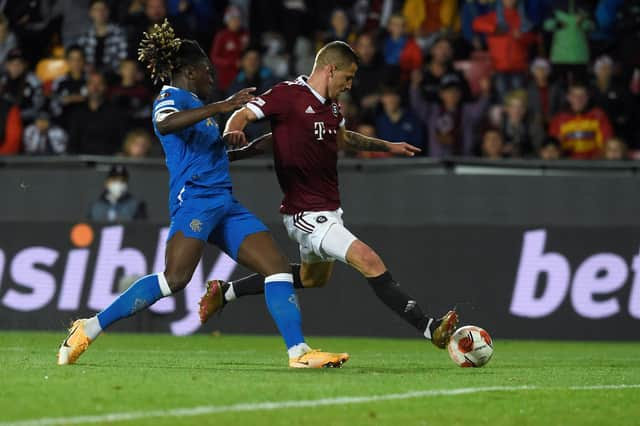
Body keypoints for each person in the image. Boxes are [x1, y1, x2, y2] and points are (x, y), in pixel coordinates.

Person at [58, 20, 349, 370]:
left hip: (225, 204)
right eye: (207, 71)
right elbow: (165, 124)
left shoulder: (200, 110)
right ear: (189, 71)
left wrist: (266, 143)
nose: (212, 77)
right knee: (175, 279)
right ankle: (88, 327)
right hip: (194, 200)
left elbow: (219, 156)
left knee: (276, 267)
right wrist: (223, 106)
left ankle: (299, 352)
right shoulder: (172, 96)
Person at [199, 41, 458, 350]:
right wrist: (232, 133)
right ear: (330, 69)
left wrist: (387, 146)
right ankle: (431, 328)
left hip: (329, 208)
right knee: (369, 260)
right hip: (305, 212)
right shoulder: (288, 94)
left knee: (312, 279)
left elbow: (343, 139)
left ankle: (224, 292)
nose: (349, 86)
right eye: (347, 78)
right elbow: (242, 115)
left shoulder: (333, 107)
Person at [549, 81, 613, 159]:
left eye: (582, 96)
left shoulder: (599, 116)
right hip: (566, 163)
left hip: (594, 164)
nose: (578, 99)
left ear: (587, 97)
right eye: (574, 96)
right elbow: (553, 147)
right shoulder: (559, 119)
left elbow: (606, 143)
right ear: (568, 97)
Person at [67, 71, 126, 154]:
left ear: (105, 87)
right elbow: (72, 142)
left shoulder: (116, 112)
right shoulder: (77, 112)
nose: (95, 88)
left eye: (99, 84)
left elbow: (120, 140)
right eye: (92, 84)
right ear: (87, 87)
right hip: (82, 162)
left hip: (108, 161)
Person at [76, 0, 128, 76]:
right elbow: (80, 59)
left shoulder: (119, 32)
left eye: (103, 9)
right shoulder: (84, 35)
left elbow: (123, 58)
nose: (100, 13)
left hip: (113, 76)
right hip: (90, 78)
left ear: (108, 12)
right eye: (96, 9)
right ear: (90, 13)